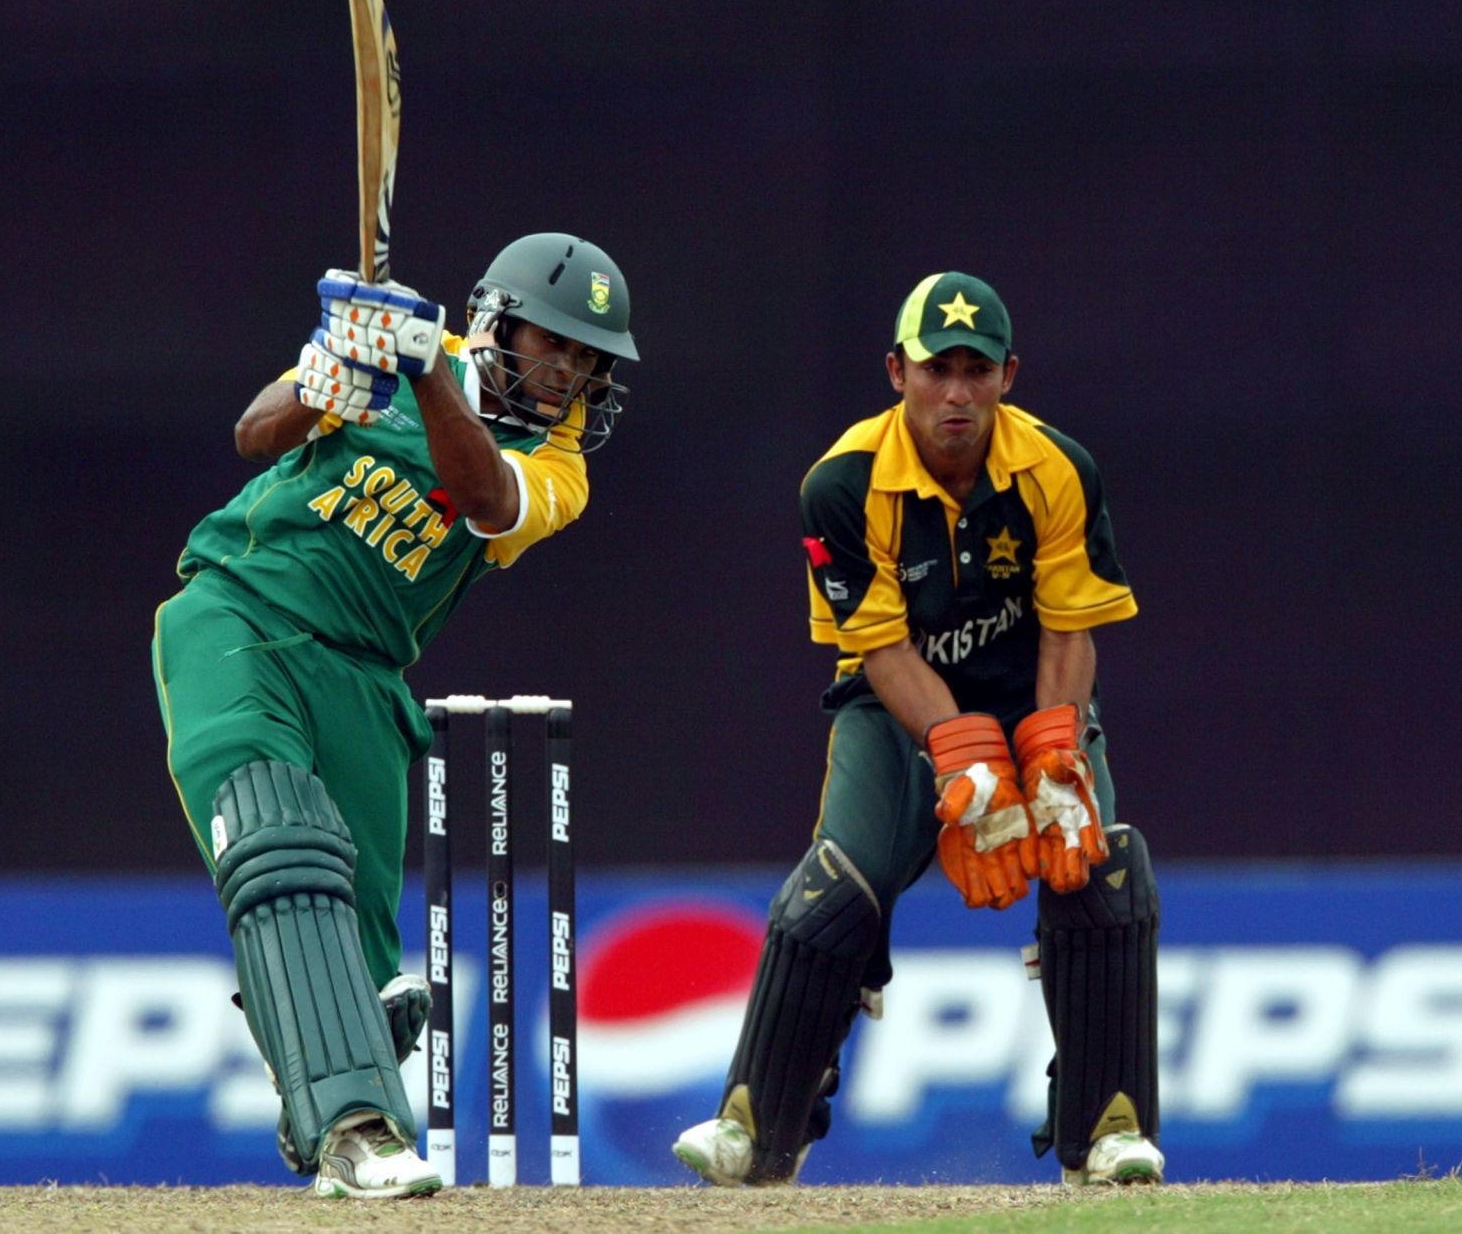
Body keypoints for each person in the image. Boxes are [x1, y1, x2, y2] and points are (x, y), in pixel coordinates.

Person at [153, 234, 636, 1198]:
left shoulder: (559, 466)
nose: (571, 372)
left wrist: (418, 376)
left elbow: (487, 498)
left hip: (366, 680)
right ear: (497, 322)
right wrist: (332, 370)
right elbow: (255, 435)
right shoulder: (403, 347)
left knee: (368, 972)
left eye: (589, 359)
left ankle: (339, 1116)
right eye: (558, 345)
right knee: (277, 840)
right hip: (238, 612)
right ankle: (354, 1132)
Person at [673, 272, 1161, 1187]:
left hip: (1034, 699)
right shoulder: (840, 485)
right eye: (938, 369)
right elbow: (882, 648)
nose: (957, 394)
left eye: (977, 371)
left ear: (1009, 376)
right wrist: (962, 753)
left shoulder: (1059, 468)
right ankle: (758, 1120)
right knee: (841, 879)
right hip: (898, 713)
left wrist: (1052, 752)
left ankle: (1106, 1127)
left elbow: (1070, 624)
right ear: (896, 371)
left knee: (1095, 860)